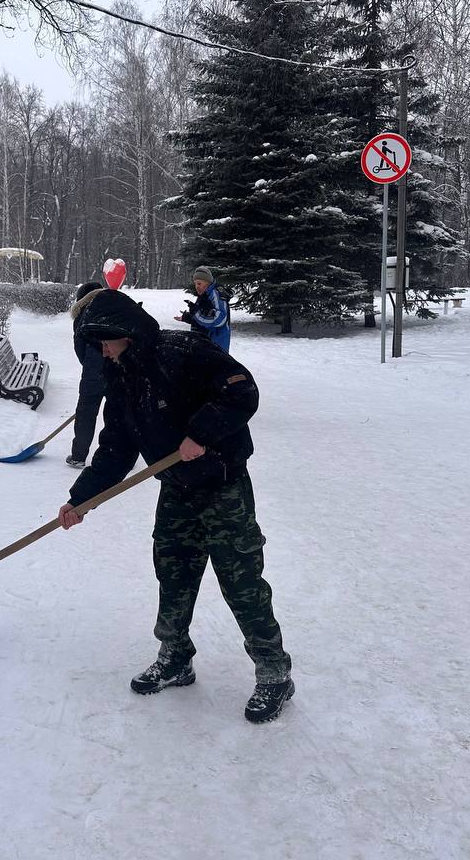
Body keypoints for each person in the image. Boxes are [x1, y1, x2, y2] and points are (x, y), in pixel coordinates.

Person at [59, 288, 294, 723]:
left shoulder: (182, 350)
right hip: (177, 491)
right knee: (173, 575)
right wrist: (81, 499)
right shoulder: (122, 376)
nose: (102, 352)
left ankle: (275, 672)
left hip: (223, 487)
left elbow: (242, 392)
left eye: (104, 343)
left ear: (122, 332)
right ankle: (176, 657)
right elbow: (116, 445)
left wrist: (202, 433)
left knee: (241, 583)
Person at [66, 282, 106, 468]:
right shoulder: (113, 310)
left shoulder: (82, 315)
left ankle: (78, 455)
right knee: (119, 413)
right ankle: (121, 456)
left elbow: (79, 348)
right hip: (120, 369)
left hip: (93, 371)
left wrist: (91, 365)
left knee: (86, 413)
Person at [175, 266, 231, 351]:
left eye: (199, 283)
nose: (196, 286)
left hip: (216, 346)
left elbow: (220, 319)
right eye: (195, 284)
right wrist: (188, 317)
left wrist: (196, 313)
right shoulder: (205, 295)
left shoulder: (216, 294)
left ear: (208, 283)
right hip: (206, 345)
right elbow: (203, 318)